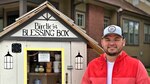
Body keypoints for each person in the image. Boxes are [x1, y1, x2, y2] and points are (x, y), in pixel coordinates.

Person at [81, 25, 150, 84]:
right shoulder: (92, 66)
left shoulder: (136, 66)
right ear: (102, 42)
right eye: (107, 39)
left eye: (116, 39)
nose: (111, 43)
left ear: (123, 42)